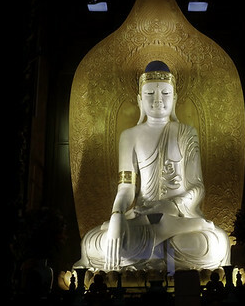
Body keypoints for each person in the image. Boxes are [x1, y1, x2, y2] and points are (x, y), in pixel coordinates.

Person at [74, 61, 231, 272]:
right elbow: (126, 188)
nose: (158, 100)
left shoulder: (186, 133)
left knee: (215, 243)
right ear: (140, 100)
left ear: (174, 98)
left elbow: (197, 186)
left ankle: (152, 250)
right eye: (150, 94)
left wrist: (172, 206)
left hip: (178, 217)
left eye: (165, 93)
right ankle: (161, 245)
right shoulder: (129, 136)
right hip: (142, 217)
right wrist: (117, 215)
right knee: (92, 241)